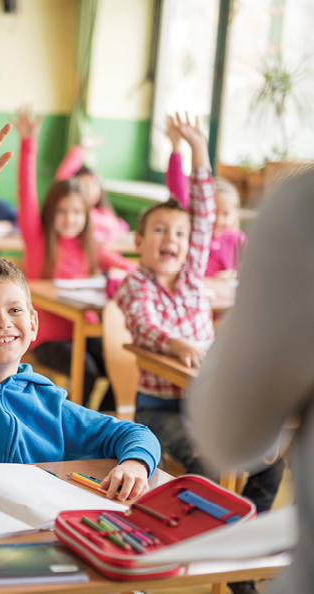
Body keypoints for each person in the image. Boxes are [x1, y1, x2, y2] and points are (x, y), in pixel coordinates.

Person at [0, 109, 160, 501]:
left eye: (15, 311)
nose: (3, 323)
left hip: (28, 536)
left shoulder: (50, 402)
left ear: (33, 323)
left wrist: (135, 462)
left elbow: (136, 433)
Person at [116, 113, 283, 594]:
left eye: (180, 235)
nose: (172, 240)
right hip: (160, 410)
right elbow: (145, 326)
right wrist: (177, 343)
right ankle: (228, 566)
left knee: (270, 464)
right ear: (139, 242)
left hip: (210, 402)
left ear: (192, 248)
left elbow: (205, 213)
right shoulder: (136, 284)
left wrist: (198, 150)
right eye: (160, 232)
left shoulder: (192, 281)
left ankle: (243, 545)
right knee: (214, 468)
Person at [189, 169, 314, 594]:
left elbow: (232, 439)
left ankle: (244, 554)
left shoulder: (301, 206)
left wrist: (250, 304)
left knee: (266, 462)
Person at [14, 105, 135, 409]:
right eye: (62, 212)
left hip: (86, 328)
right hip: (48, 338)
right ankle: (77, 430)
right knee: (89, 372)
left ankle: (103, 422)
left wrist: (138, 273)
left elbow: (122, 264)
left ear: (88, 215)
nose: (70, 219)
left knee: (122, 364)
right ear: (51, 213)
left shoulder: (88, 246)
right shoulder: (39, 240)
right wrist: (28, 144)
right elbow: (26, 192)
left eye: (77, 213)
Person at [164, 114, 246, 277]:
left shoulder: (236, 238)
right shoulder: (195, 232)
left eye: (226, 214)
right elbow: (178, 187)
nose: (218, 219)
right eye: (214, 212)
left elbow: (254, 270)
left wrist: (233, 274)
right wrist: (176, 148)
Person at [54, 134, 130, 243]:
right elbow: (61, 181)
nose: (88, 191)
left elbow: (114, 230)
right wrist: (81, 149)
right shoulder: (74, 216)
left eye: (92, 186)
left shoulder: (103, 215)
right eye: (83, 186)